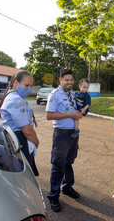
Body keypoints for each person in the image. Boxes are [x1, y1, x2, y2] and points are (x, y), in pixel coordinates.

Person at [45, 68, 84, 212]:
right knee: (57, 165)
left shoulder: (72, 94)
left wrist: (78, 114)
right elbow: (49, 115)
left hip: (73, 134)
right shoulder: (55, 95)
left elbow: (75, 110)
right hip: (61, 135)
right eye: (67, 80)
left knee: (69, 162)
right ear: (60, 80)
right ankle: (53, 196)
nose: (70, 82)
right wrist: (70, 114)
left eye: (71, 80)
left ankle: (67, 187)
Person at [0, 70, 39, 176]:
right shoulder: (16, 100)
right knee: (24, 175)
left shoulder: (12, 97)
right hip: (19, 139)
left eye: (31, 86)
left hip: (14, 138)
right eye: (26, 85)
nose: (29, 89)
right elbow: (27, 130)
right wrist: (36, 142)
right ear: (16, 83)